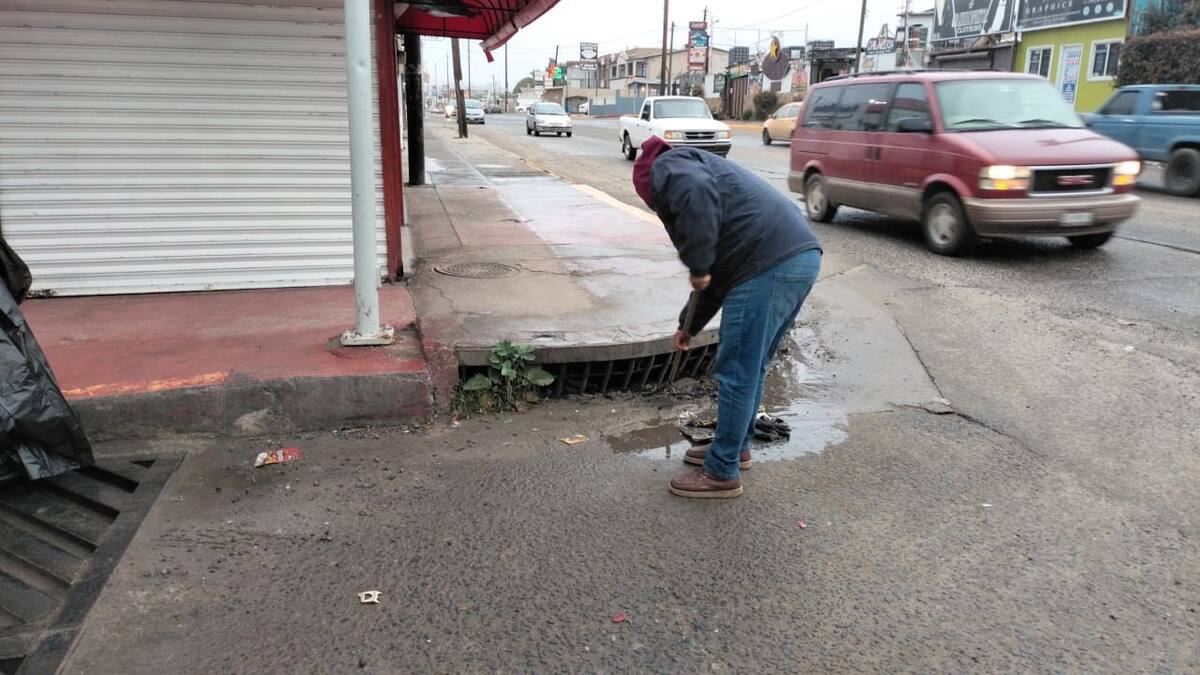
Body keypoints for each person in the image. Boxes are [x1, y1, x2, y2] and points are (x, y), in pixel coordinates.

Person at [633, 136, 822, 499]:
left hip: (767, 262)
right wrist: (687, 326)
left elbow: (708, 264)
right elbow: (716, 279)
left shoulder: (666, 168)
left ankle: (721, 472)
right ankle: (735, 446)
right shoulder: (699, 173)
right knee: (752, 367)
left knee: (737, 371)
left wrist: (699, 263)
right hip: (797, 256)